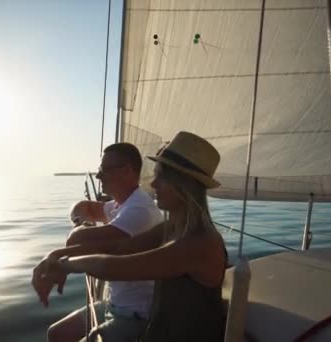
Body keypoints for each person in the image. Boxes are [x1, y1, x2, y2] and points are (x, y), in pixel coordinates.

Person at [35, 131, 228, 342]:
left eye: (161, 177)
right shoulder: (173, 227)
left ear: (183, 184)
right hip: (160, 330)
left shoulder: (200, 243)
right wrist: (55, 256)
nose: (153, 185)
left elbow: (116, 267)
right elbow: (119, 248)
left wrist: (66, 265)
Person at [33, 142, 163, 342]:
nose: (98, 176)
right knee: (56, 334)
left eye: (104, 170)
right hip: (113, 304)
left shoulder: (139, 211)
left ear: (127, 171)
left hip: (134, 315)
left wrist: (74, 236)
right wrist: (79, 221)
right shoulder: (122, 204)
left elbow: (75, 240)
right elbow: (82, 208)